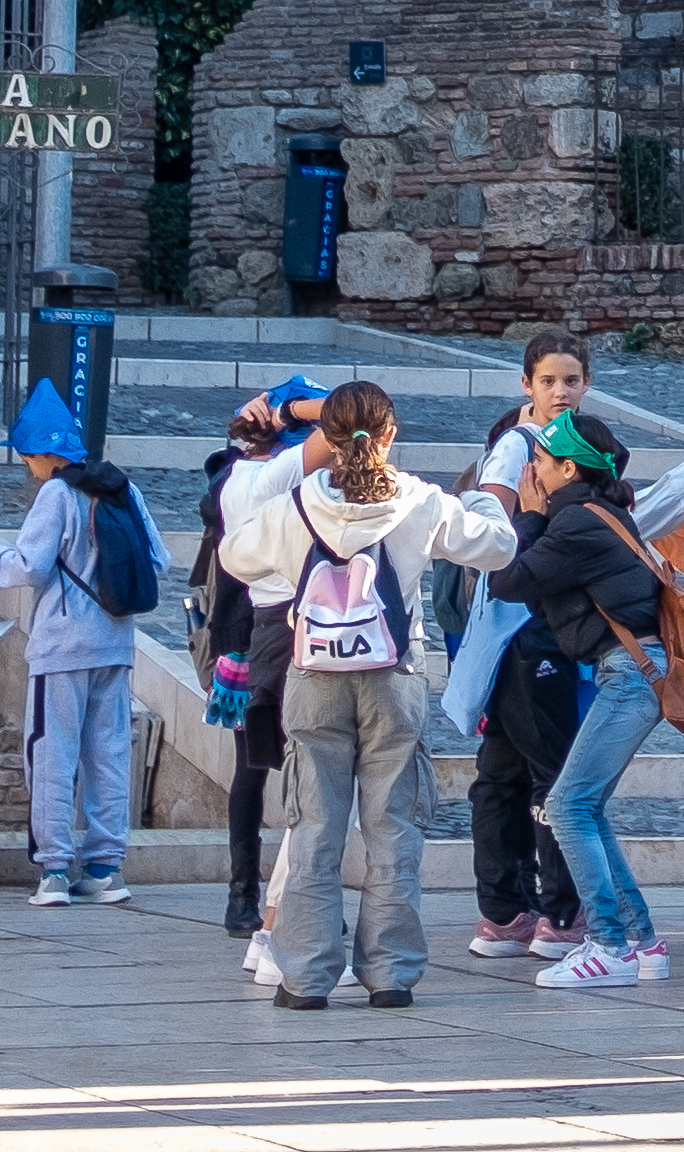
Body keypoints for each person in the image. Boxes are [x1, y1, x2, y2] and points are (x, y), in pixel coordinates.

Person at [212, 380, 518, 1011]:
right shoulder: (420, 502)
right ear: (390, 435)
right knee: (394, 828)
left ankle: (304, 976)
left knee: (313, 828)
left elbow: (236, 558)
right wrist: (485, 502)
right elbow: (499, 547)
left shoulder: (296, 505)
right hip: (394, 676)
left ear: (328, 437)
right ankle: (391, 973)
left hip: (314, 677)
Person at [502, 406, 673, 991]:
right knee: (585, 808)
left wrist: (526, 516)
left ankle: (608, 945)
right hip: (631, 671)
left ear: (569, 467)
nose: (535, 471)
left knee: (568, 807)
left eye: (543, 461)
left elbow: (509, 580)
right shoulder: (602, 514)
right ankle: (643, 942)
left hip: (628, 673)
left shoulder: (576, 524)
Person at [456, 337, 597, 958]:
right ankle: (556, 916)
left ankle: (505, 911)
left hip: (534, 627)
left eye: (571, 379)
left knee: (503, 773)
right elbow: (494, 525)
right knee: (551, 773)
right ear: (526, 386)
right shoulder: (518, 446)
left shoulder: (583, 439)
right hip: (525, 626)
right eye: (549, 380)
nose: (561, 391)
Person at [0, 382, 143, 907]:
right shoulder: (124, 488)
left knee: (51, 753)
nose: (26, 465)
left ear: (39, 452)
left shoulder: (56, 493)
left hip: (62, 648)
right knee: (109, 755)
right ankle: (105, 869)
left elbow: (26, 568)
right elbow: (157, 561)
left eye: (26, 456)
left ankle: (52, 871)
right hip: (116, 644)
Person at [200, 378, 315, 962]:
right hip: (261, 633)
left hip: (257, 633)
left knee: (259, 767)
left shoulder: (237, 473)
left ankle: (249, 895)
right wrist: (287, 411)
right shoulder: (270, 474)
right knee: (270, 767)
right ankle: (254, 894)